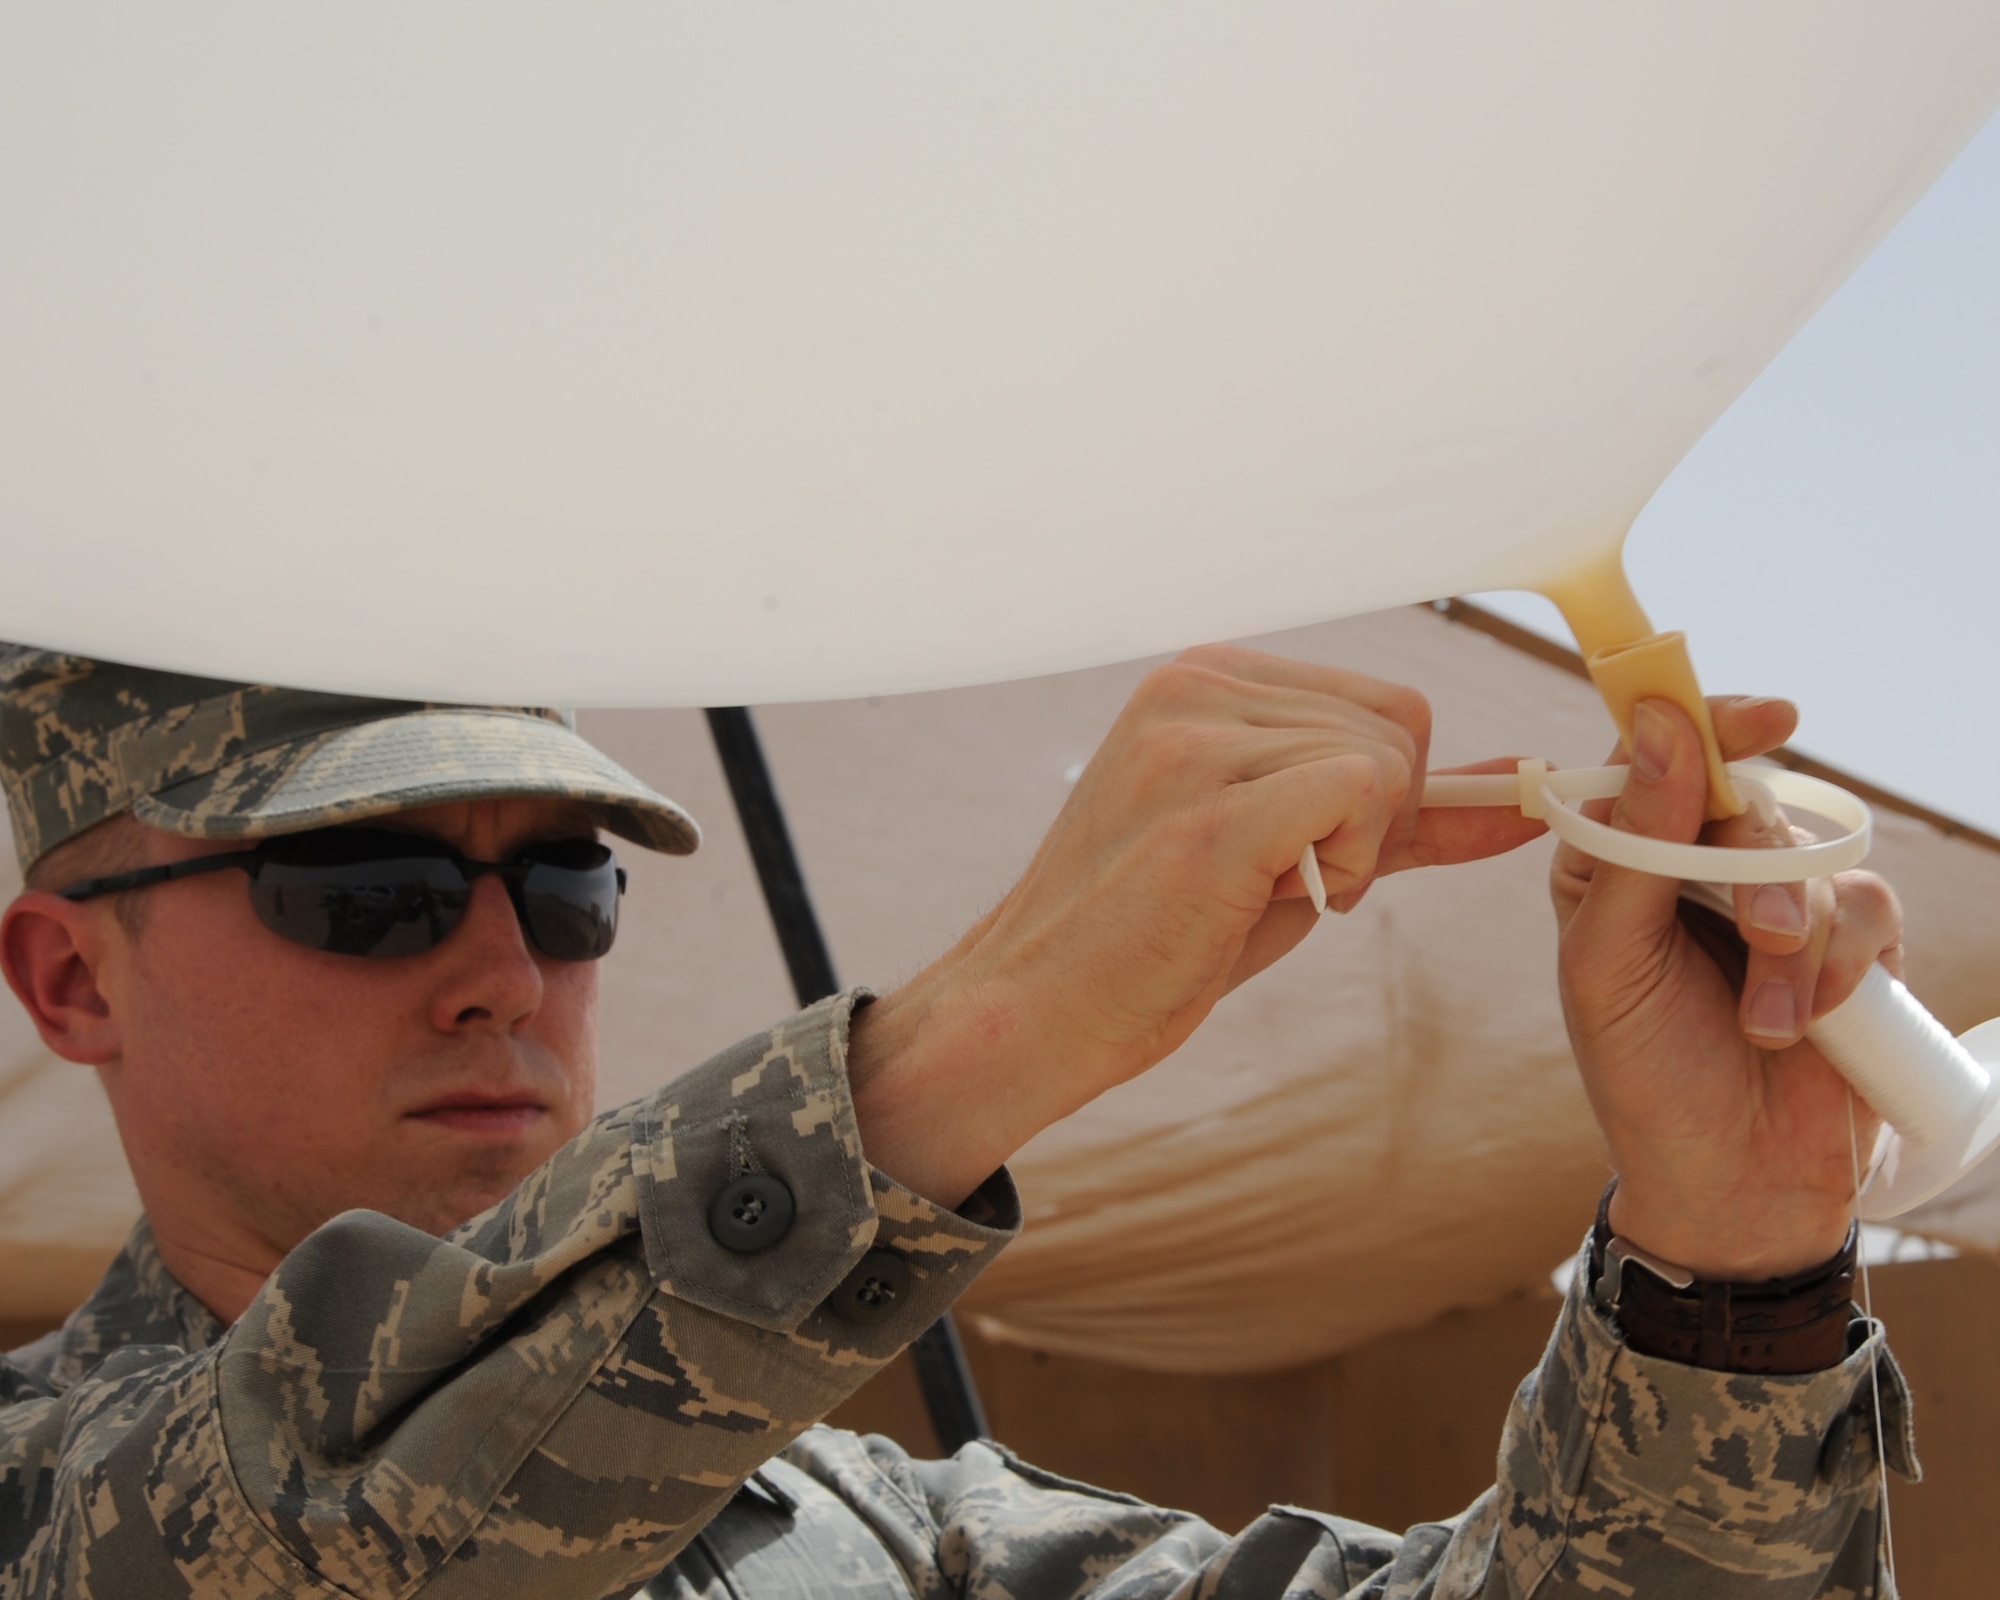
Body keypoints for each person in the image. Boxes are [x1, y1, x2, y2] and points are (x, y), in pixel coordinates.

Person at [0, 641, 1911, 1599]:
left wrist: (1727, 1273)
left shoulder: (869, 1539)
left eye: (566, 885)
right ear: (70, 979)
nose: (505, 969)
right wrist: (981, 1037)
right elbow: (319, 1532)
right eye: (369, 891)